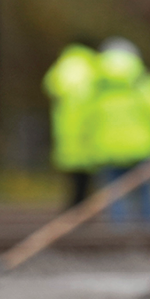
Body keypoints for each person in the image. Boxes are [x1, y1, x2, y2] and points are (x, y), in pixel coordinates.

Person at [89, 38, 150, 224]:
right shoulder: (144, 81)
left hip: (107, 149)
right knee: (147, 196)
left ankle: (118, 240)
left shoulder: (95, 84)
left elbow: (83, 117)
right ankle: (149, 237)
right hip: (143, 148)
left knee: (116, 197)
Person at [44, 42, 102, 208]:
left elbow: (49, 87)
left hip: (66, 126)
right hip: (90, 127)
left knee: (70, 173)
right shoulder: (94, 66)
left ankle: (72, 205)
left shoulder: (62, 66)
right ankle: (84, 205)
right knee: (88, 173)